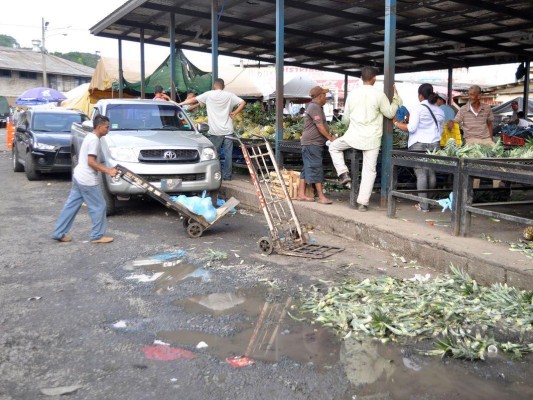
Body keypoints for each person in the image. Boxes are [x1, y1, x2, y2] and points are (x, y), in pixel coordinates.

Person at [328, 66, 402, 212]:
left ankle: (343, 173)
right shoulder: (379, 95)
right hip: (372, 139)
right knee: (369, 170)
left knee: (333, 147)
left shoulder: (353, 94)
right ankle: (363, 203)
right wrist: (396, 99)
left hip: (353, 136)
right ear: (374, 78)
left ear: (362, 78)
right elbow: (389, 113)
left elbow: (345, 120)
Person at [51, 115, 118, 244]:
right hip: (87, 179)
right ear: (99, 127)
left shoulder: (90, 137)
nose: (108, 129)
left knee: (71, 206)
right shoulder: (94, 140)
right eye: (106, 127)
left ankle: (58, 232)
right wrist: (109, 171)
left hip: (78, 175)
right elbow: (91, 162)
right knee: (99, 206)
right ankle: (97, 236)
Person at [177, 78, 246, 181]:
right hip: (228, 130)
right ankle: (227, 176)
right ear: (223, 86)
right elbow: (243, 102)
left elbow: (193, 100)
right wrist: (235, 112)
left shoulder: (209, 94)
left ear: (214, 86)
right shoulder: (229, 95)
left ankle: (215, 175)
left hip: (215, 131)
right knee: (228, 155)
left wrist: (179, 104)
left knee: (214, 155)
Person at [394, 84, 444, 212]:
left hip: (418, 144)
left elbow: (411, 128)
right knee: (431, 172)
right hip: (434, 144)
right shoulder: (439, 110)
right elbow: (441, 131)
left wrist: (396, 123)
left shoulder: (419, 108)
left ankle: (424, 206)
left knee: (421, 174)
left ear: (420, 95)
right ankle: (428, 201)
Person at [296, 86, 336, 205]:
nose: (326, 98)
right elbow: (319, 125)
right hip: (312, 143)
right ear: (320, 97)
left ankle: (301, 194)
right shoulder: (315, 107)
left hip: (310, 143)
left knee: (307, 167)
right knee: (316, 167)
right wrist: (330, 138)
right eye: (324, 95)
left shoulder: (314, 106)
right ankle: (321, 197)